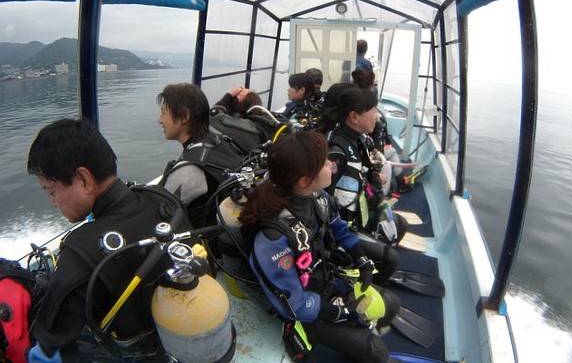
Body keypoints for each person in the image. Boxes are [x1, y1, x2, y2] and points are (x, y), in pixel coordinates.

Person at [26, 118, 193, 362]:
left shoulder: (80, 253)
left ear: (84, 179)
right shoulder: (163, 200)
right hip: (185, 336)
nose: (54, 202)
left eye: (52, 191)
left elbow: (49, 352)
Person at [238, 131, 399, 362]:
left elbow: (340, 228)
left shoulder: (317, 198)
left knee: (391, 304)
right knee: (377, 352)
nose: (332, 165)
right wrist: (340, 313)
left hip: (326, 281)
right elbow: (294, 304)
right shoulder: (273, 239)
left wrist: (361, 259)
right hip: (304, 310)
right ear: (304, 180)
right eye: (325, 163)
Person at [319, 85, 404, 272]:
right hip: (338, 230)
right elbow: (322, 203)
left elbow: (363, 178)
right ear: (354, 117)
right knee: (390, 259)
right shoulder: (337, 151)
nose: (377, 116)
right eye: (372, 110)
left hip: (357, 215)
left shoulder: (358, 141)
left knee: (401, 224)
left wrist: (380, 202)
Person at [157, 83, 243, 227]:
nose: (159, 120)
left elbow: (159, 218)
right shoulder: (219, 141)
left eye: (163, 112)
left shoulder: (190, 169)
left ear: (184, 116)